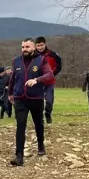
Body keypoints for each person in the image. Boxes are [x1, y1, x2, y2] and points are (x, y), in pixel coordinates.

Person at [8, 38, 54, 166]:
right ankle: (19, 156)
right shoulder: (16, 61)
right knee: (20, 126)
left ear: (33, 47)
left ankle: (40, 144)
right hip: (20, 98)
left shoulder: (41, 60)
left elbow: (49, 75)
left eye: (27, 47)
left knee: (38, 123)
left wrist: (37, 80)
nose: (25, 49)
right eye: (23, 47)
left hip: (36, 98)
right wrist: (10, 93)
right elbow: (13, 79)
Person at [34, 36, 63, 124]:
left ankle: (48, 113)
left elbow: (59, 66)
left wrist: (51, 75)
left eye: (41, 45)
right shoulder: (33, 55)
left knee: (49, 101)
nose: (40, 47)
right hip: (37, 82)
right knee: (38, 101)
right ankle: (40, 118)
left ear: (45, 44)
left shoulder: (53, 55)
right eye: (38, 46)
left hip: (49, 82)